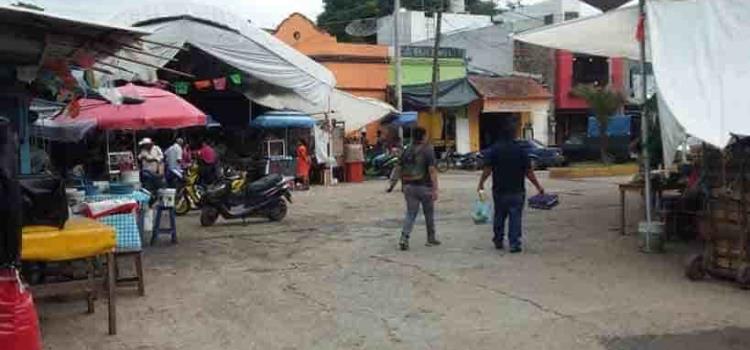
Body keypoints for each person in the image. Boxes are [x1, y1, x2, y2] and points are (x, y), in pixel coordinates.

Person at [477, 124, 545, 253]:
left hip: (499, 190)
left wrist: (481, 183)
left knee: (499, 216)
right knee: (515, 217)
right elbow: (529, 172)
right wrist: (538, 186)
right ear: (514, 135)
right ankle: (514, 243)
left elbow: (487, 169)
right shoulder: (521, 150)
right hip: (517, 190)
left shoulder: (494, 150)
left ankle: (498, 240)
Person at [391, 127, 439, 251]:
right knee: (429, 213)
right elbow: (432, 170)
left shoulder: (406, 150)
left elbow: (398, 168)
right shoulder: (428, 150)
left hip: (409, 187)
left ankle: (404, 237)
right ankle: (431, 238)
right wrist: (435, 188)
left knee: (411, 214)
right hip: (424, 186)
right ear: (423, 136)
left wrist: (393, 185)